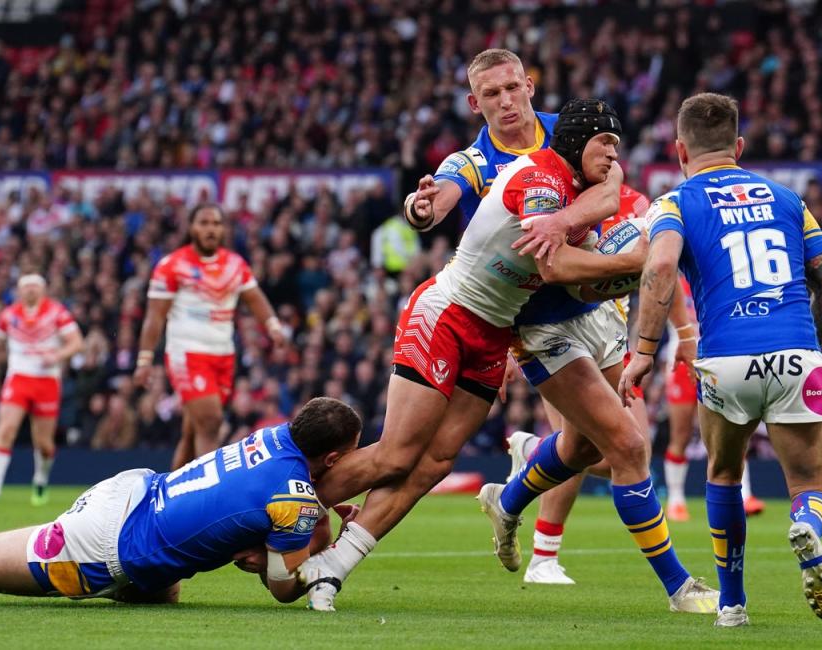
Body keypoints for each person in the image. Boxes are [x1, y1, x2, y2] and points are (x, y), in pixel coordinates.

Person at [302, 98, 716, 616]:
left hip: (495, 331)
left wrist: (620, 254)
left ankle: (333, 565)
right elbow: (558, 268)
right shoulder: (538, 176)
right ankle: (269, 513)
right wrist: (636, 260)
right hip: (451, 312)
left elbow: (597, 243)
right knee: (398, 454)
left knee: (436, 462)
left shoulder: (581, 186)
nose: (615, 154)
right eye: (604, 142)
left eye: (617, 143)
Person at [407, 49, 695, 586]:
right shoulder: (470, 161)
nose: (505, 101)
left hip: (592, 304)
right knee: (625, 447)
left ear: (530, 86)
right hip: (534, 319)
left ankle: (512, 490)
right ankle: (647, 578)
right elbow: (438, 198)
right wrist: (422, 209)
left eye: (512, 88)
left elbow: (611, 187)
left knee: (595, 449)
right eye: (491, 94)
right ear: (475, 104)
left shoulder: (569, 130)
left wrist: (561, 219)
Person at [620, 92, 822, 627]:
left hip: (724, 360)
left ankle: (731, 604)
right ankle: (808, 526)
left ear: (679, 151)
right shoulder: (789, 199)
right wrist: (808, 344)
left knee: (722, 473)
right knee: (813, 487)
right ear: (738, 146)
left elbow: (660, 270)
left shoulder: (674, 203)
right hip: (795, 350)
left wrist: (644, 354)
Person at [0, 397, 361, 604]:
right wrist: (333, 541)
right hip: (109, 543)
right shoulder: (293, 499)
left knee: (163, 591)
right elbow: (284, 589)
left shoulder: (273, 437)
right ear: (332, 459)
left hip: (136, 493)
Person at [135, 203, 285, 469]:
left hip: (223, 355)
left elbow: (254, 298)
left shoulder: (235, 264)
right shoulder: (172, 265)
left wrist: (272, 325)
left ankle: (166, 498)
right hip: (187, 353)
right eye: (204, 223)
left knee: (193, 431)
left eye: (216, 223)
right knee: (212, 421)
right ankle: (210, 492)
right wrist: (145, 360)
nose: (211, 229)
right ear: (191, 227)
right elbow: (154, 316)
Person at [662, 278, 765, 523]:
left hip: (718, 358)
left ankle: (745, 495)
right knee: (681, 434)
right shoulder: (674, 278)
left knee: (734, 427)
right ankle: (676, 500)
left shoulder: (717, 274)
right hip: (683, 362)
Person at [0, 274, 83, 505]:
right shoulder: (8, 315)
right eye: (26, 286)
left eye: (35, 286)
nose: (30, 290)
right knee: (6, 430)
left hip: (46, 381)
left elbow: (76, 342)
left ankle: (40, 479)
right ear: (19, 291)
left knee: (43, 443)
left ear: (43, 289)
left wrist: (57, 355)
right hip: (18, 378)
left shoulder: (57, 312)